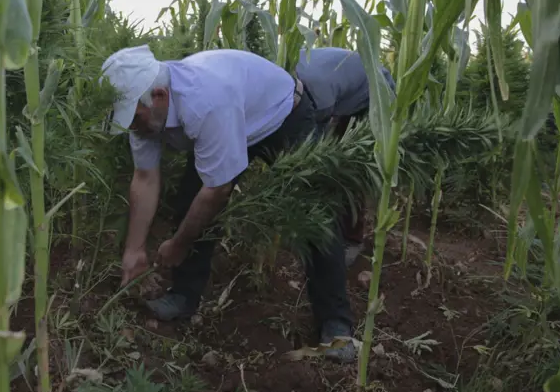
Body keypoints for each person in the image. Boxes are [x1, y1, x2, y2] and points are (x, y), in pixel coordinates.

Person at [100, 44, 357, 362]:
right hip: (229, 117)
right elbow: (145, 178)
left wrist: (178, 244)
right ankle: (183, 295)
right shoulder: (144, 109)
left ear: (160, 97)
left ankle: (336, 324)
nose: (131, 126)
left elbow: (216, 191)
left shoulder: (203, 102)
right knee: (188, 203)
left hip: (281, 115)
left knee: (316, 215)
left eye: (133, 117)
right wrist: (134, 249)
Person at [294, 46, 396, 266]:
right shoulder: (285, 63)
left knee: (349, 168)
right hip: (346, 94)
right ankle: (319, 230)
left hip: (375, 98)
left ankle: (352, 239)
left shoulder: (317, 91)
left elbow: (315, 150)